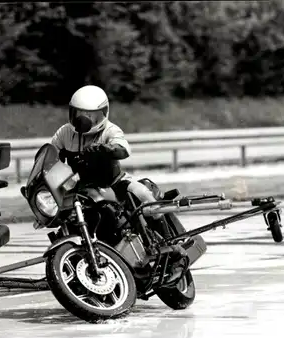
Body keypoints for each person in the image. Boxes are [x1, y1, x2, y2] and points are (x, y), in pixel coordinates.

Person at [51, 85, 187, 264]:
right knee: (64, 215)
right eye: (79, 113)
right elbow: (50, 153)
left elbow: (123, 148)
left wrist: (106, 148)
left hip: (113, 181)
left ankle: (171, 242)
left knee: (144, 195)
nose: (84, 119)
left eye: (90, 114)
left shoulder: (110, 129)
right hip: (83, 186)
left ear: (103, 113)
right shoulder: (65, 132)